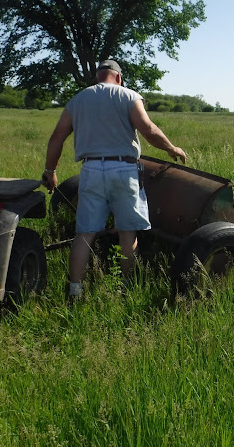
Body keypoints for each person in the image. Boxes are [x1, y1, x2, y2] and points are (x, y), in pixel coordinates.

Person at [42, 59, 187, 301]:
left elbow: (57, 136)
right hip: (123, 169)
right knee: (127, 233)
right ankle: (124, 289)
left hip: (90, 170)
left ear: (97, 77)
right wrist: (171, 148)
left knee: (85, 233)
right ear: (118, 77)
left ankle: (75, 290)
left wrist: (50, 170)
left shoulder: (78, 99)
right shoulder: (128, 96)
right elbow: (148, 129)